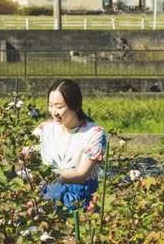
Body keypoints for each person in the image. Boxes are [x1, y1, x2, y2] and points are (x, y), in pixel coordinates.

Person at [27, 78, 108, 210]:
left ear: (75, 106)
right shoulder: (44, 129)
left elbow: (81, 175)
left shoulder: (94, 133)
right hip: (45, 195)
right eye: (50, 105)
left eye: (59, 107)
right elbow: (23, 158)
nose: (54, 112)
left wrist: (49, 177)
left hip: (78, 200)